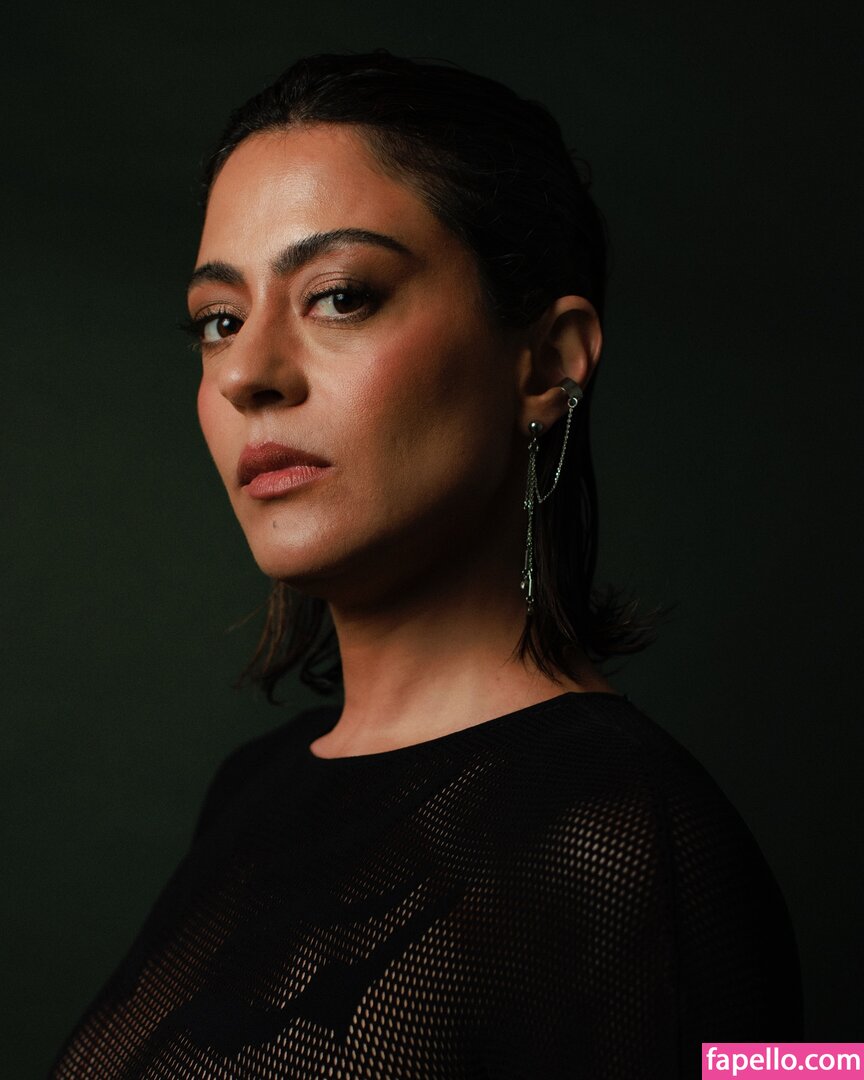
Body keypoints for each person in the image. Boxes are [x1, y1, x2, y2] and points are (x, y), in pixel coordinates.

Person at [51, 50, 803, 1078]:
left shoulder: (629, 842)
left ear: (547, 363)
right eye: (219, 320)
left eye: (340, 297)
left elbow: (805, 1065)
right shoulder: (254, 788)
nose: (248, 375)